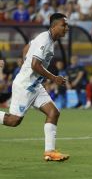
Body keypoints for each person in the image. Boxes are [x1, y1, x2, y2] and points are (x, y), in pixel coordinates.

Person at [0, 13, 70, 161]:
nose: (66, 28)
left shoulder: (46, 39)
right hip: (25, 86)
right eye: (64, 25)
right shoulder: (45, 39)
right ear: (54, 26)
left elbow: (28, 46)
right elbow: (35, 65)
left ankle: (49, 152)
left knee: (53, 113)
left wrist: (24, 59)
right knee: (13, 121)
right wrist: (54, 78)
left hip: (35, 86)